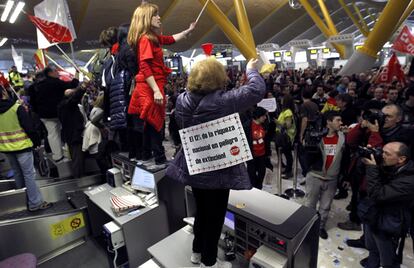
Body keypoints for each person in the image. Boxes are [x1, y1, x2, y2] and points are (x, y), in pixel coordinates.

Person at [166, 58, 266, 268]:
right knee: (216, 218)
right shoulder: (223, 101)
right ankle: (210, 263)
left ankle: (197, 252)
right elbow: (257, 90)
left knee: (201, 212)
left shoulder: (181, 100)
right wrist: (250, 69)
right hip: (218, 169)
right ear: (218, 78)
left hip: (194, 166)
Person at [127, 3, 196, 165]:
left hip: (150, 86)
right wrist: (156, 90)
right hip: (150, 87)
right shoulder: (146, 39)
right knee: (154, 123)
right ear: (146, 18)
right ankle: (159, 158)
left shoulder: (151, 38)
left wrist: (188, 31)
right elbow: (145, 66)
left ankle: (152, 157)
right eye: (155, 15)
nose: (159, 17)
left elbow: (170, 39)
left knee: (152, 123)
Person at [361, 142, 414, 268]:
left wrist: (373, 168)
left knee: (387, 259)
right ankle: (371, 264)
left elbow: (378, 194)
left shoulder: (410, 180)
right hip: (374, 216)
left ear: (401, 159)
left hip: (389, 224)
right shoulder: (390, 165)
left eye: (387, 153)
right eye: (382, 151)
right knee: (372, 248)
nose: (382, 155)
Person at [0, 84, 51, 211]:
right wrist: (36, 142)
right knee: (29, 175)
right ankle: (35, 203)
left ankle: (22, 202)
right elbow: (29, 128)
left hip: (6, 148)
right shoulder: (17, 108)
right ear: (3, 93)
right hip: (22, 147)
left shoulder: (16, 107)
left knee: (17, 173)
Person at [305, 111, 346, 239]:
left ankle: (320, 227)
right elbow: (305, 153)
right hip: (315, 176)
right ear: (329, 122)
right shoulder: (316, 136)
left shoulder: (343, 137)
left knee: (325, 206)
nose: (341, 123)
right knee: (309, 204)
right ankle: (307, 227)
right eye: (338, 120)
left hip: (332, 178)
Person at [32, 65, 79, 162]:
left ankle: (57, 156)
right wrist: (76, 76)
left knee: (52, 134)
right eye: (56, 71)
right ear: (50, 73)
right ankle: (68, 153)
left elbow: (32, 102)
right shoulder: (55, 82)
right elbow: (71, 85)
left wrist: (38, 112)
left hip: (44, 115)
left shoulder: (35, 86)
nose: (58, 72)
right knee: (65, 131)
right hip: (57, 113)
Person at [246, 106, 269, 189]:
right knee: (251, 176)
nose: (265, 118)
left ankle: (259, 188)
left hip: (262, 155)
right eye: (263, 116)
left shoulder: (265, 125)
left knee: (262, 173)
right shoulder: (248, 126)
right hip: (252, 156)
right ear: (258, 116)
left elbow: (267, 140)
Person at [275, 94, 296, 178]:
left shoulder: (288, 112)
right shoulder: (284, 111)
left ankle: (289, 171)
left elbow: (288, 125)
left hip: (286, 136)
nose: (281, 100)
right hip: (280, 135)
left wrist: (278, 122)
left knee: (288, 154)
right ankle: (286, 168)